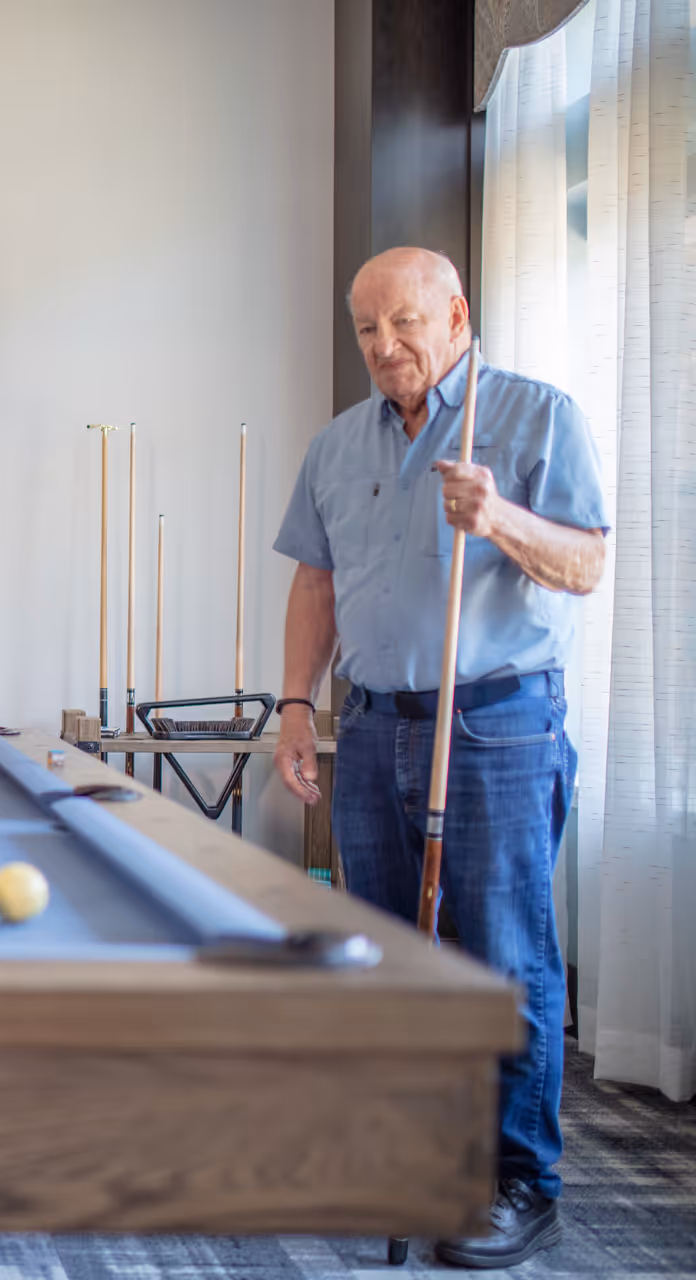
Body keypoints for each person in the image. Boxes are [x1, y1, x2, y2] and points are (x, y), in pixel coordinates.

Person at [272, 248, 607, 1269]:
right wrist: (296, 703)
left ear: (457, 314)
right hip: (372, 724)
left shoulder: (534, 414)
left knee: (505, 952)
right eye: (367, 329)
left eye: (406, 323)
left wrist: (496, 514)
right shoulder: (337, 444)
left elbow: (588, 562)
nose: (385, 346)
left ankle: (517, 1180)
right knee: (381, 945)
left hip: (498, 721)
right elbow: (316, 585)